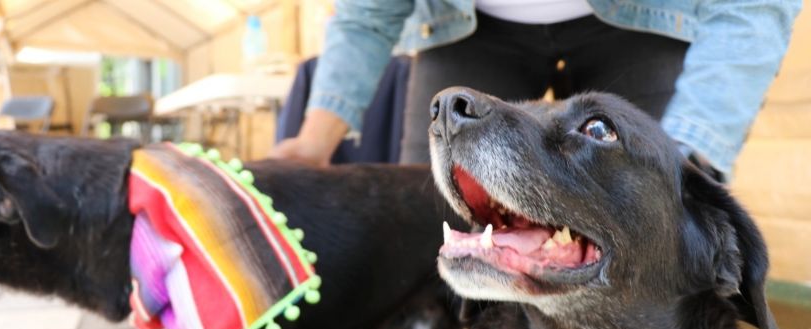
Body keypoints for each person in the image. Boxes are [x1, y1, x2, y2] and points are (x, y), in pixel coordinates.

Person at [271, 0, 801, 181]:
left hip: (639, 20)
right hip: (471, 28)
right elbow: (366, 16)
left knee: (663, 198)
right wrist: (313, 142)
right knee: (429, 208)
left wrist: (693, 146)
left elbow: (750, 8)